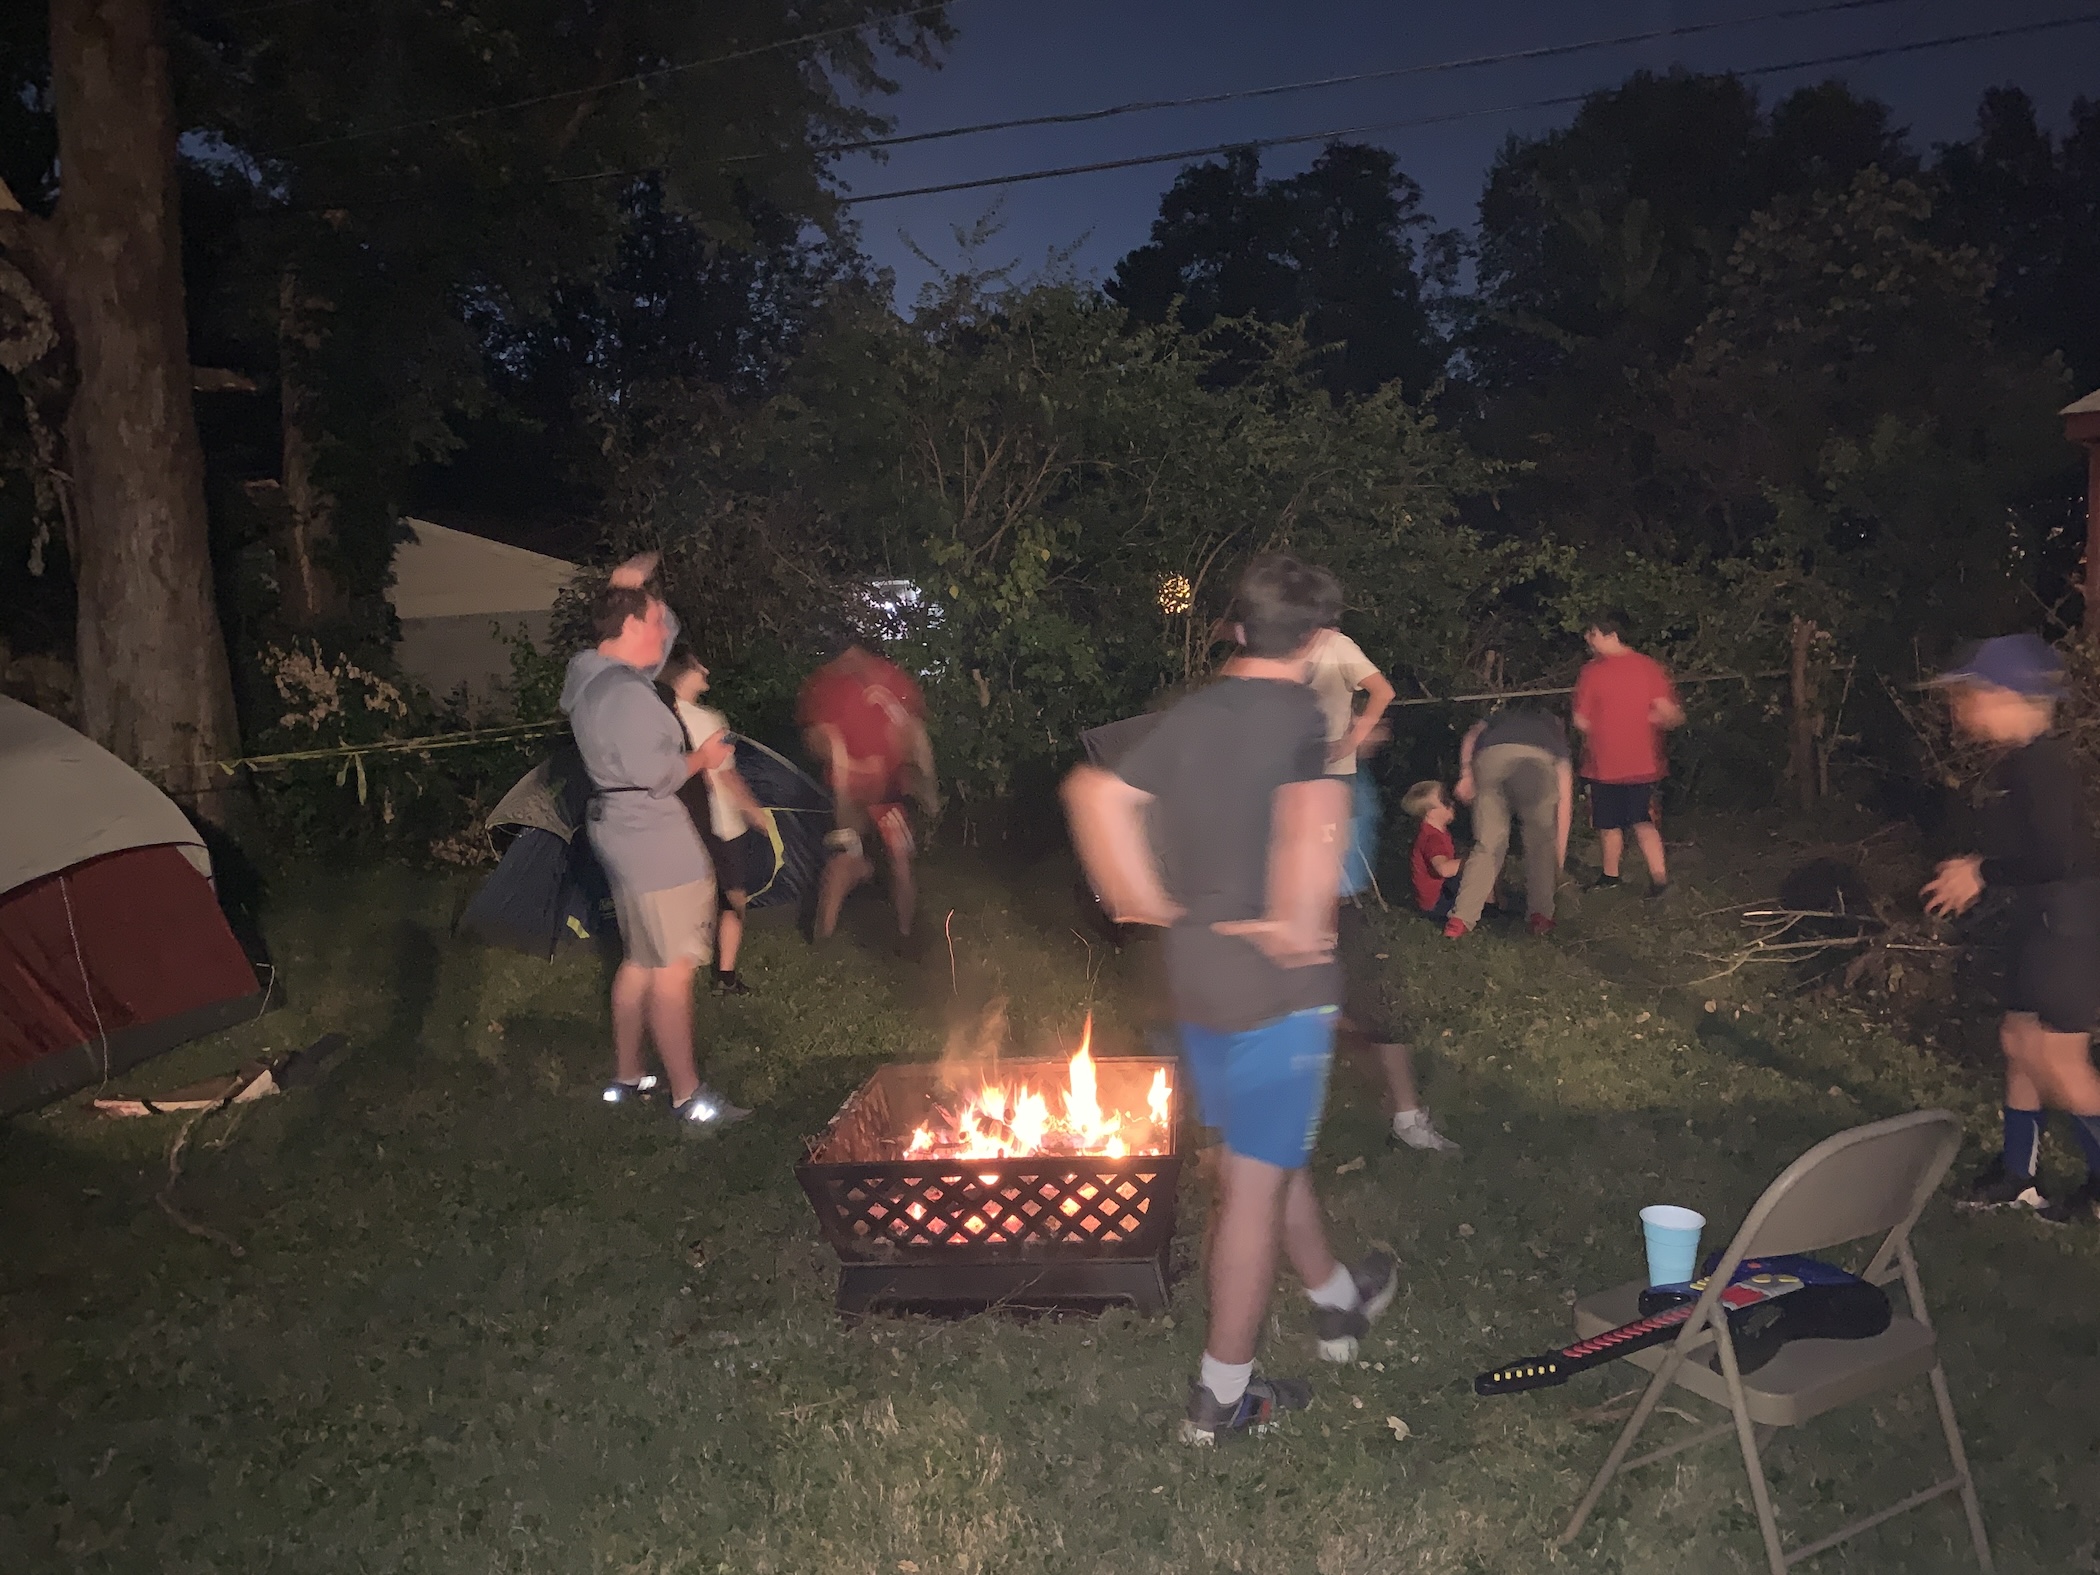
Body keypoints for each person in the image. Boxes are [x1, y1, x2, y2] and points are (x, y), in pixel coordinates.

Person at [1063, 551, 1396, 1446]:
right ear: (1317, 639)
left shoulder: (1192, 713)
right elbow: (1310, 829)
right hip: (1273, 989)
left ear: (1238, 627)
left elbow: (1093, 792)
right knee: (1252, 1184)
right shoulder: (1301, 718)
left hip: (1196, 977)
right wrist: (1293, 920)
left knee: (1260, 1150)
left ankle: (1336, 1298)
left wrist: (1146, 901)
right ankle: (1223, 1397)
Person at [559, 554, 749, 1129]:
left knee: (640, 959)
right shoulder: (627, 695)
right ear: (632, 626)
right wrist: (705, 757)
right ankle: (688, 1096)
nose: (664, 633)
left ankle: (627, 1077)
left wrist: (624, 591)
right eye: (654, 620)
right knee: (672, 972)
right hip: (654, 841)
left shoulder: (588, 677)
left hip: (617, 830)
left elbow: (653, 645)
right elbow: (659, 774)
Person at [1922, 635, 2100, 1224]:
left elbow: (2057, 857)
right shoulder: (2022, 761)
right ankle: (2017, 1176)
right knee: (2018, 1040)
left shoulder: (2041, 766)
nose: (1961, 707)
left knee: (2059, 1062)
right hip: (2044, 920)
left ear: (2007, 695)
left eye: (1971, 694)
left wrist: (1981, 872)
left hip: (2068, 927)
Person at [1339, 720, 1461, 1154]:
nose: (1385, 730)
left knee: (1370, 1009)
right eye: (1374, 722)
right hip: (1325, 907)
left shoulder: (1358, 773)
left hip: (1352, 905)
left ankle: (1401, 1111)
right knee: (1373, 1010)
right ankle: (1404, 1114)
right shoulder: (1328, 771)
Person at [798, 638, 937, 942]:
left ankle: (905, 935)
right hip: (846, 794)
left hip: (887, 792)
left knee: (900, 860)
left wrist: (922, 780)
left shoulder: (891, 679)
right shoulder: (826, 684)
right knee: (841, 863)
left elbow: (912, 730)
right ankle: (822, 939)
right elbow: (814, 738)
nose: (843, 663)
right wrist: (846, 760)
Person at [660, 647, 769, 996]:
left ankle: (674, 971)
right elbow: (725, 774)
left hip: (676, 825)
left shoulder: (657, 720)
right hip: (721, 823)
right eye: (697, 666)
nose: (706, 670)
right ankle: (726, 976)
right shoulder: (709, 720)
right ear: (682, 673)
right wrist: (753, 810)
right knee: (733, 898)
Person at [1570, 614, 1684, 897]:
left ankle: (1646, 879)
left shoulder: (1595, 672)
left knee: (1624, 822)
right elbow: (1670, 713)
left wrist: (1605, 728)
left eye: (1593, 633)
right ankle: (1641, 878)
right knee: (1629, 821)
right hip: (1625, 763)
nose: (1588, 639)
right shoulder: (1646, 667)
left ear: (1611, 634)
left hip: (1617, 762)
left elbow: (1581, 720)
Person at [1448, 706, 1575, 939]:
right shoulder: (1553, 730)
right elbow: (1564, 802)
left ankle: (1460, 920)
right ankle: (1540, 916)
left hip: (1488, 757)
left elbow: (1472, 735)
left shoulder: (1499, 717)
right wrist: (1559, 859)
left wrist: (1466, 774)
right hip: (1535, 762)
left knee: (1487, 843)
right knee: (1540, 843)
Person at [1304, 624, 1396, 775]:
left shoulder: (1336, 645)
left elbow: (1383, 692)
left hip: (1330, 768)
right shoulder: (1280, 642)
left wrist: (1352, 742)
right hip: (1284, 764)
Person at [1401, 781, 1462, 921]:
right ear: (1431, 813)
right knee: (1478, 870)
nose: (1451, 803)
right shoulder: (1433, 838)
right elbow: (1444, 869)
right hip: (1437, 903)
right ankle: (1492, 907)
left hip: (1433, 898)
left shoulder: (1433, 832)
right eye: (1445, 800)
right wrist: (1474, 861)